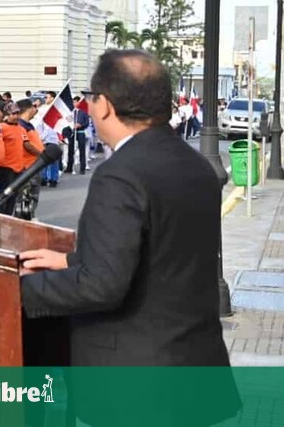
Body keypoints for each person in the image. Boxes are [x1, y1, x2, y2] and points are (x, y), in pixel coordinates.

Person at [20, 50, 239, 425]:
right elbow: (163, 256)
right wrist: (71, 261)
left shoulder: (120, 174)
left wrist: (10, 288)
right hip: (193, 370)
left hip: (136, 388)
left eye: (90, 97)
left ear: (103, 105)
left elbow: (102, 287)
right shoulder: (196, 164)